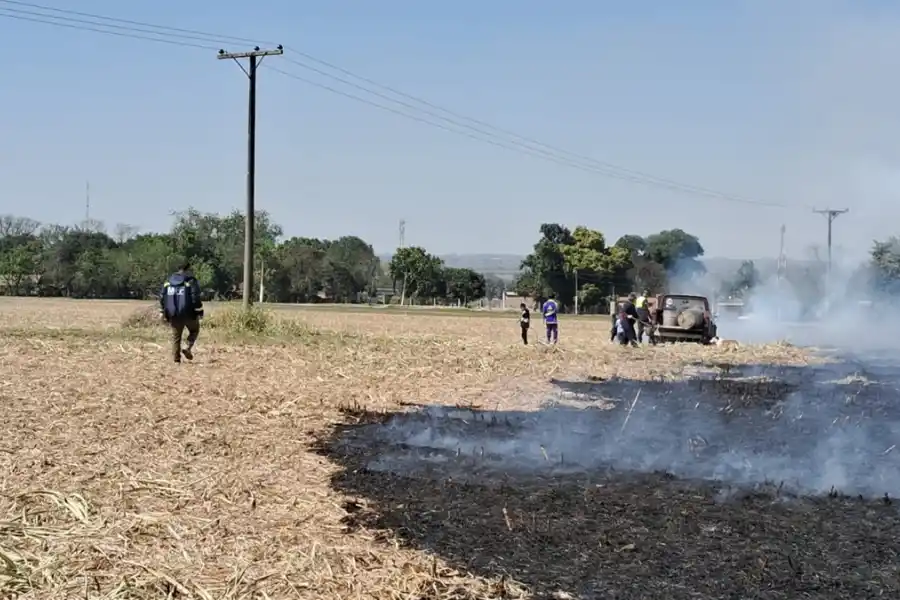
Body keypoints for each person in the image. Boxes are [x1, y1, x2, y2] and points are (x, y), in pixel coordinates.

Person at [159, 261, 204, 363]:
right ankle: (187, 347)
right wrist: (199, 311)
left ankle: (176, 360)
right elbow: (195, 297)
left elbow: (162, 297)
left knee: (176, 337)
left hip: (173, 313)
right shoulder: (190, 280)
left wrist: (163, 311)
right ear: (188, 269)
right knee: (194, 330)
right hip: (189, 313)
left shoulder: (168, 281)